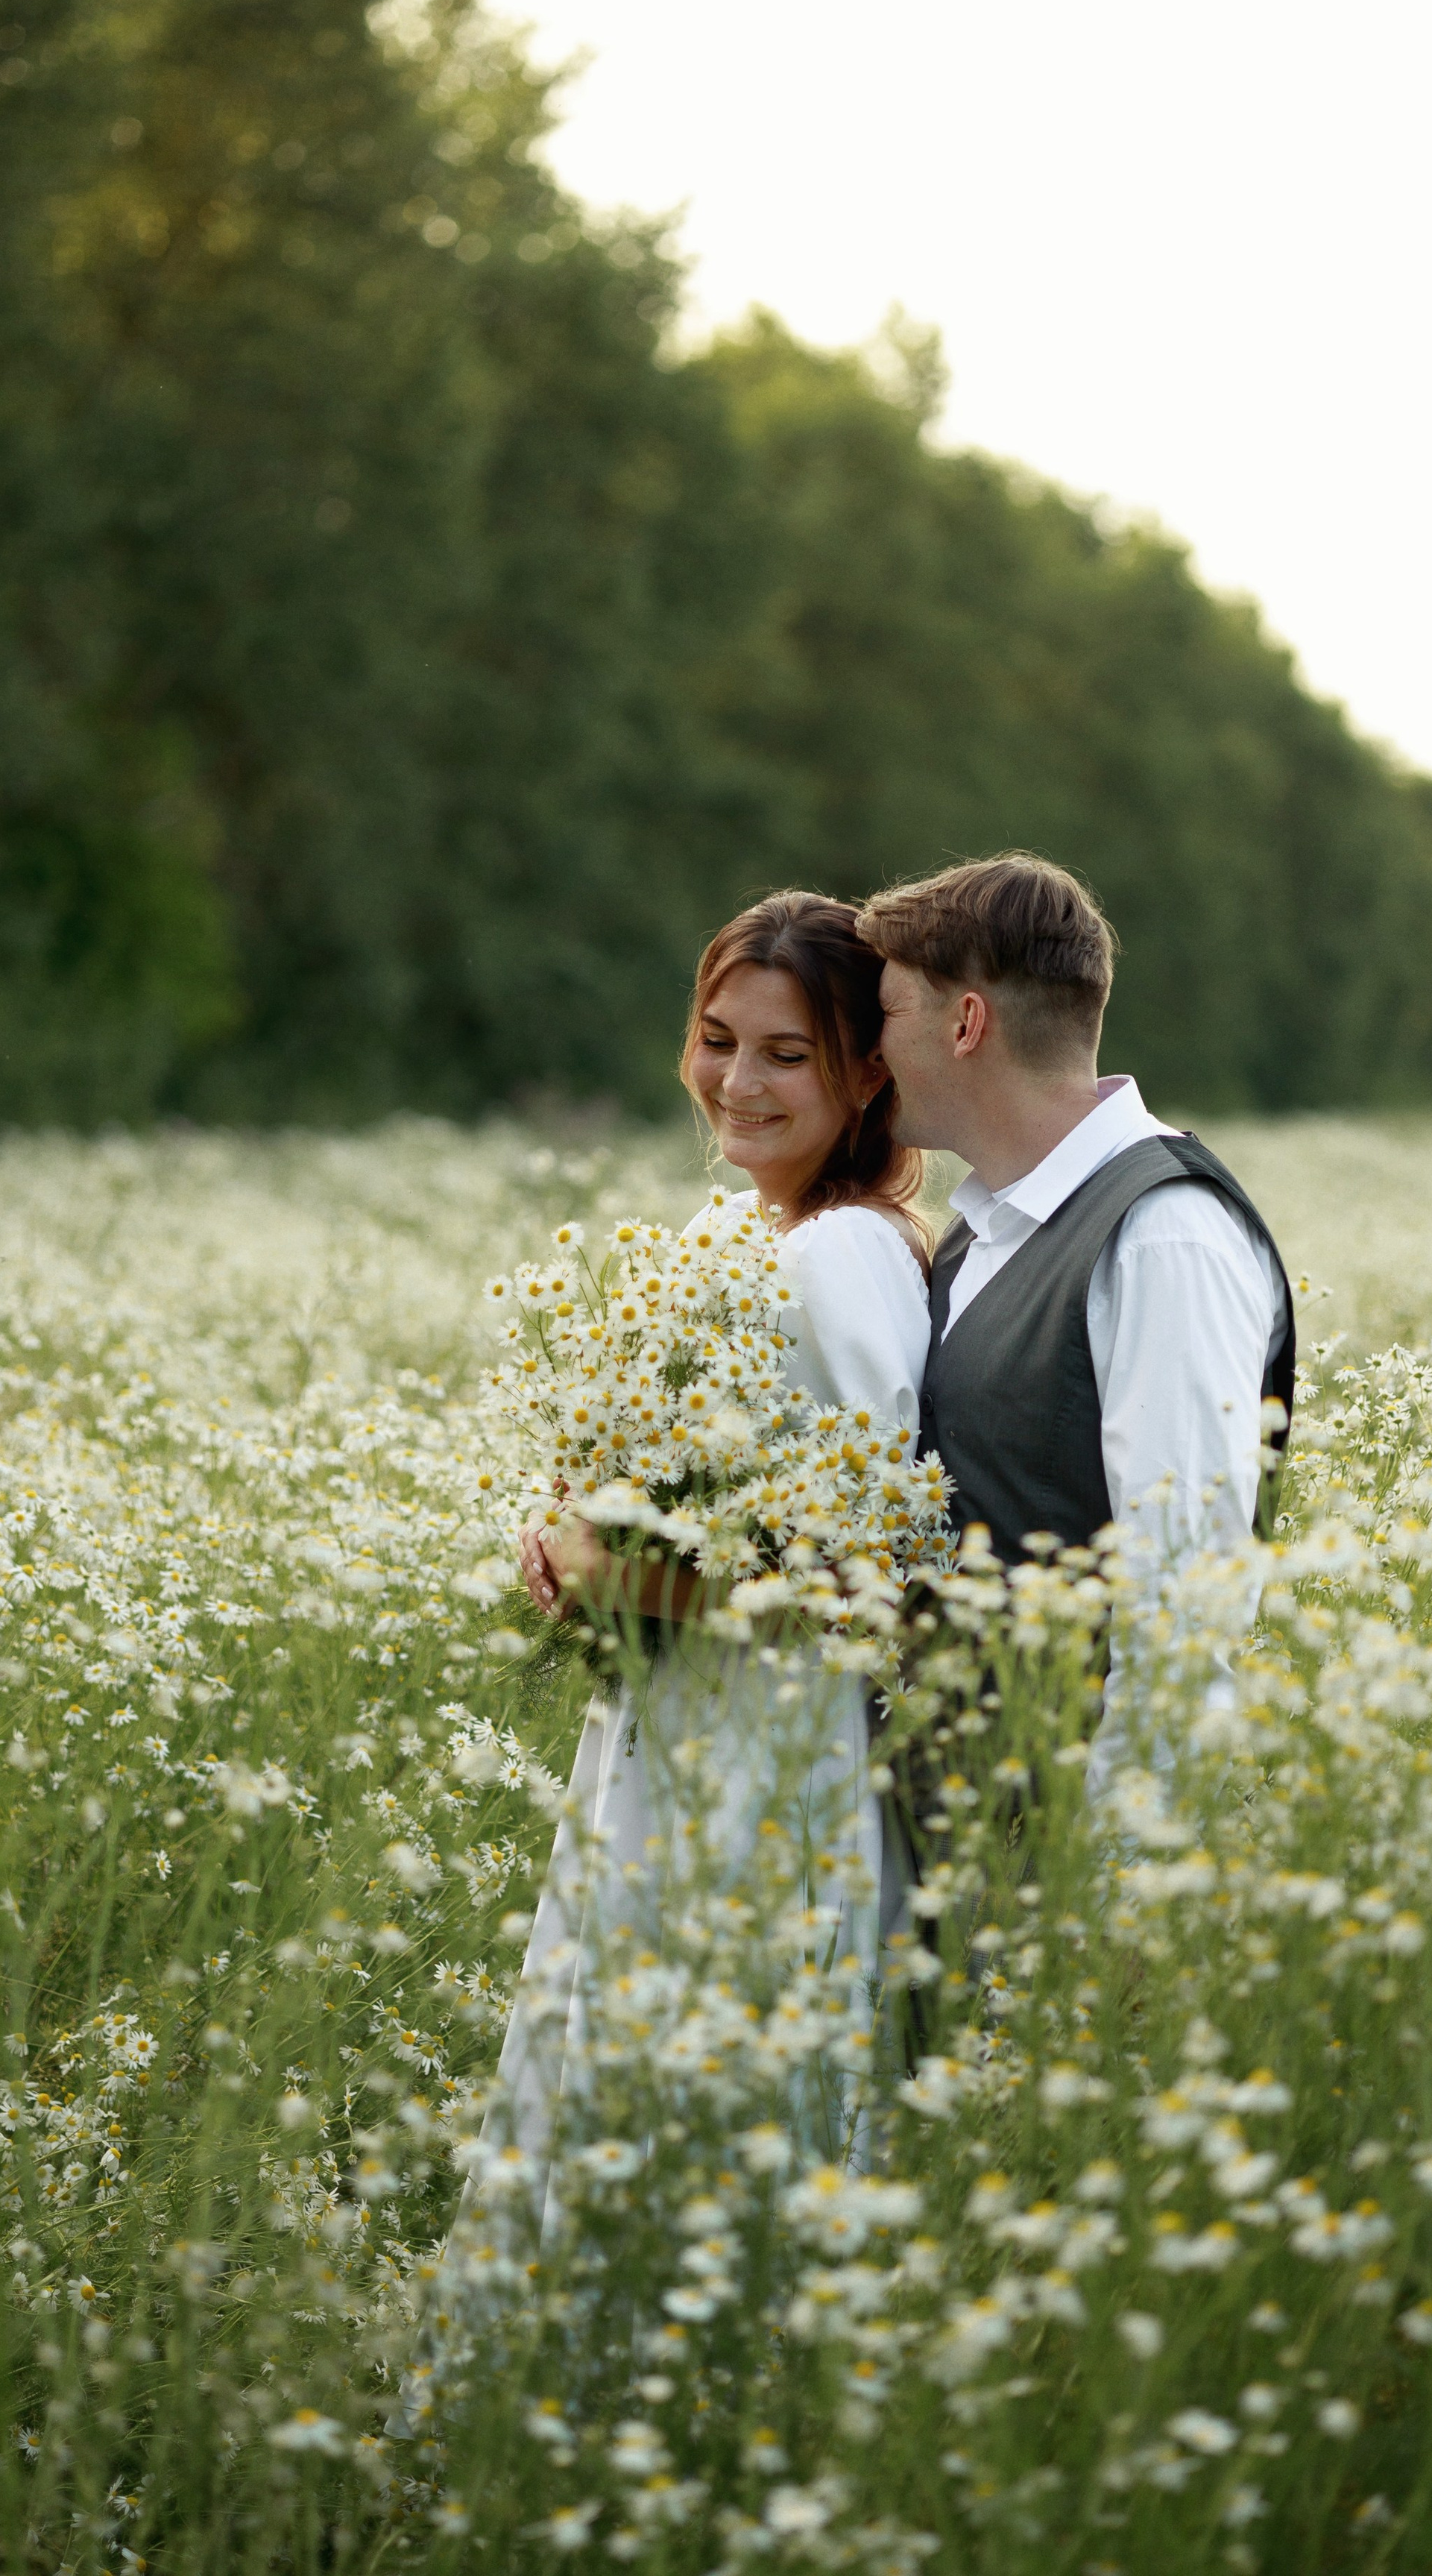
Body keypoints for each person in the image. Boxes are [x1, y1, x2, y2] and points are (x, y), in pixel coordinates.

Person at [493, 893, 932, 2191]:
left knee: (715, 2128)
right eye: (716, 1037)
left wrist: (620, 1575)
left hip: (769, 1757)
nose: (737, 1081)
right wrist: (572, 1536)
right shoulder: (736, 1232)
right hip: (686, 1735)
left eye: (786, 1054)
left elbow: (876, 1571)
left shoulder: (846, 1253)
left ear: (868, 1072)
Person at [857, 851, 1294, 1782]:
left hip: (1068, 1850)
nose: (866, 1049)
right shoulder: (981, 1228)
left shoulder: (1162, 1233)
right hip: (958, 1836)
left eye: (886, 1014)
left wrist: (1117, 1896)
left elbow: (1184, 1610)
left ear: (966, 1021)